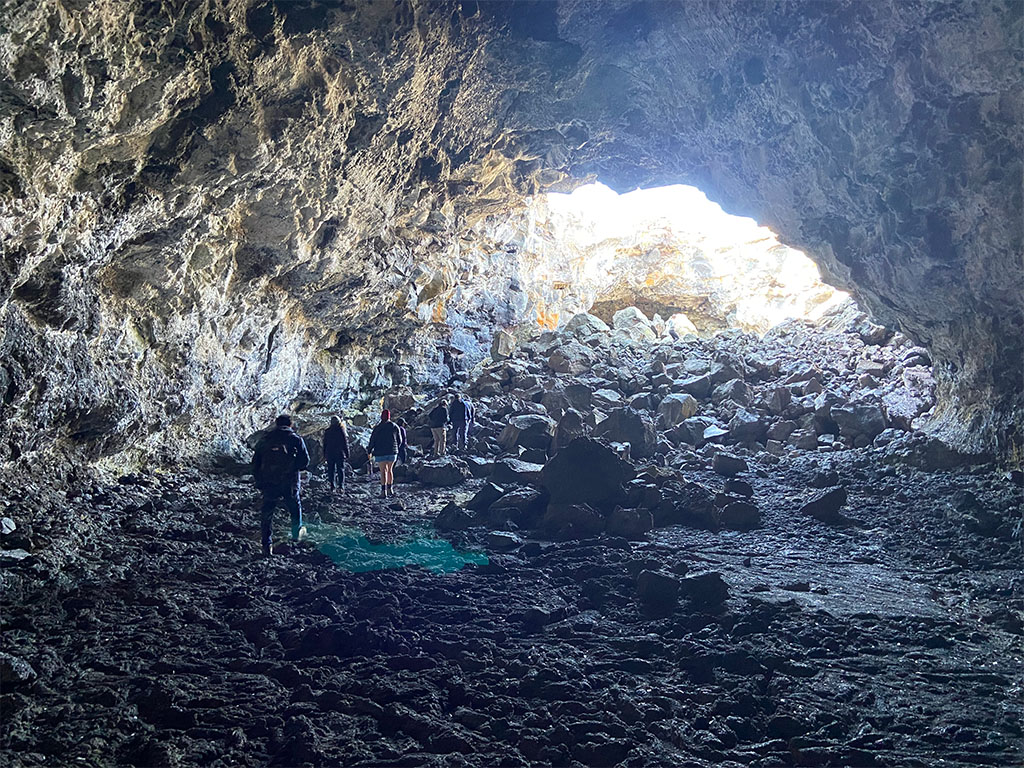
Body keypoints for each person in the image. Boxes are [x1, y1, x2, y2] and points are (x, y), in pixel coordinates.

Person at [252, 414, 310, 556]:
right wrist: (292, 467)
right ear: (290, 424)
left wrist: (259, 480)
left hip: (269, 482)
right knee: (294, 507)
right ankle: (296, 535)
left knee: (267, 513)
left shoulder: (266, 439)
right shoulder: (295, 439)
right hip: (289, 481)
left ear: (276, 424)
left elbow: (255, 463)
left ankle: (267, 544)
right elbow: (305, 461)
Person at [367, 409, 402, 498]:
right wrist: (396, 447)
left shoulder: (377, 428)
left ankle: (384, 492)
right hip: (392, 451)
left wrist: (369, 450)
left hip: (380, 452)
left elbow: (372, 440)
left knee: (383, 471)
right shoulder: (395, 426)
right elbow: (400, 440)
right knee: (390, 470)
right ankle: (390, 489)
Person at [322, 415, 349, 492]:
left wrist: (324, 454)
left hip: (330, 453)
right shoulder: (341, 430)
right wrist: (347, 453)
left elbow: (325, 443)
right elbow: (344, 443)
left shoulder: (327, 431)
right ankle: (341, 486)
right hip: (339, 453)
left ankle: (332, 486)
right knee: (340, 469)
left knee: (331, 470)